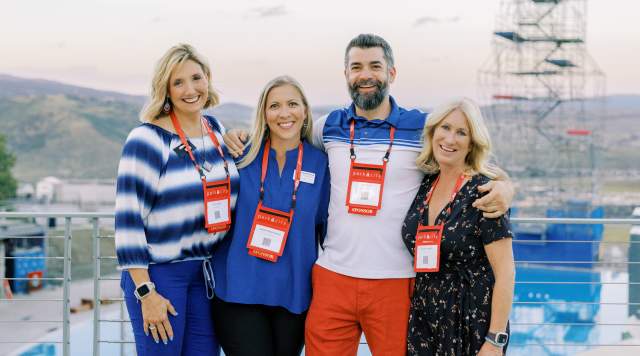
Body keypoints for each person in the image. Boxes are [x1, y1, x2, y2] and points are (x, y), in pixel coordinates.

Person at [224, 34, 514, 356]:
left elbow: (467, 159)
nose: (365, 75)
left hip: (395, 281)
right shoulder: (327, 127)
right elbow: (285, 139)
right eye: (356, 67)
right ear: (346, 75)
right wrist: (239, 136)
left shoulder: (421, 128)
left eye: (375, 66)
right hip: (333, 277)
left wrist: (505, 187)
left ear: (391, 73)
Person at [115, 43, 239, 356]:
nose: (190, 89)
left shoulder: (215, 130)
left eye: (196, 78)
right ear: (165, 90)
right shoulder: (146, 140)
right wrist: (146, 292)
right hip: (160, 275)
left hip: (206, 274)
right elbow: (128, 222)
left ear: (208, 79)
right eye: (178, 82)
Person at [211, 75, 330, 356]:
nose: (284, 113)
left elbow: (329, 232)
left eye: (292, 104)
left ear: (304, 111)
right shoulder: (241, 155)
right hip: (238, 290)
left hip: (294, 295)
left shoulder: (322, 163)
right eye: (274, 105)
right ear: (264, 113)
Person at [401, 98, 515, 356]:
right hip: (423, 320)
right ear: (432, 132)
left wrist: (495, 340)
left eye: (461, 132)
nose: (450, 139)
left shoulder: (484, 192)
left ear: (472, 143)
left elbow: (506, 273)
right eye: (445, 128)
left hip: (470, 322)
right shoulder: (424, 184)